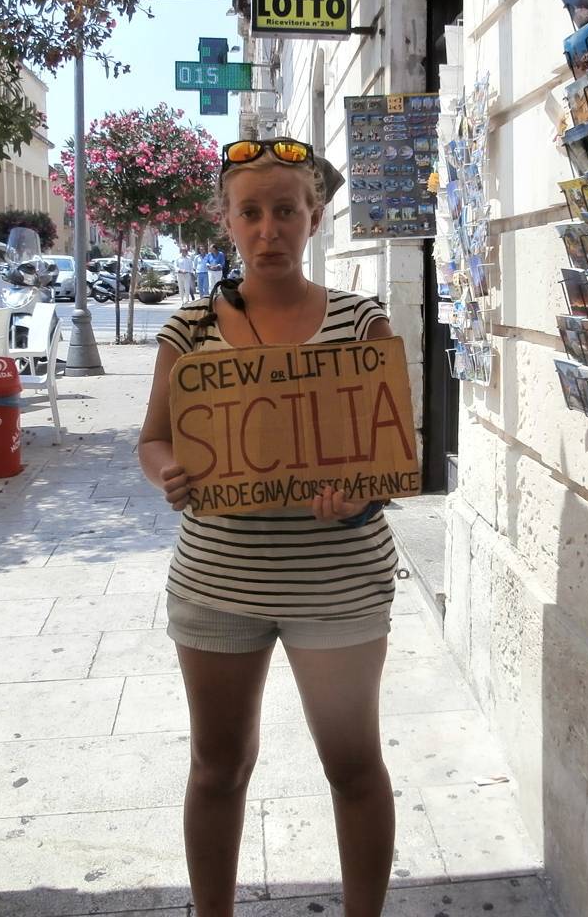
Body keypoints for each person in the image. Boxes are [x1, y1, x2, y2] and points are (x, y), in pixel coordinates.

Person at [138, 138, 397, 917]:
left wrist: (359, 493)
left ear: (313, 218)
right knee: (216, 768)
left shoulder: (363, 323)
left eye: (285, 210)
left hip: (339, 586)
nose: (268, 229)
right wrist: (168, 473)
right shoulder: (189, 329)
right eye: (250, 213)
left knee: (353, 765)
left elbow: (389, 455)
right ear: (227, 222)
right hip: (218, 584)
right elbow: (153, 438)